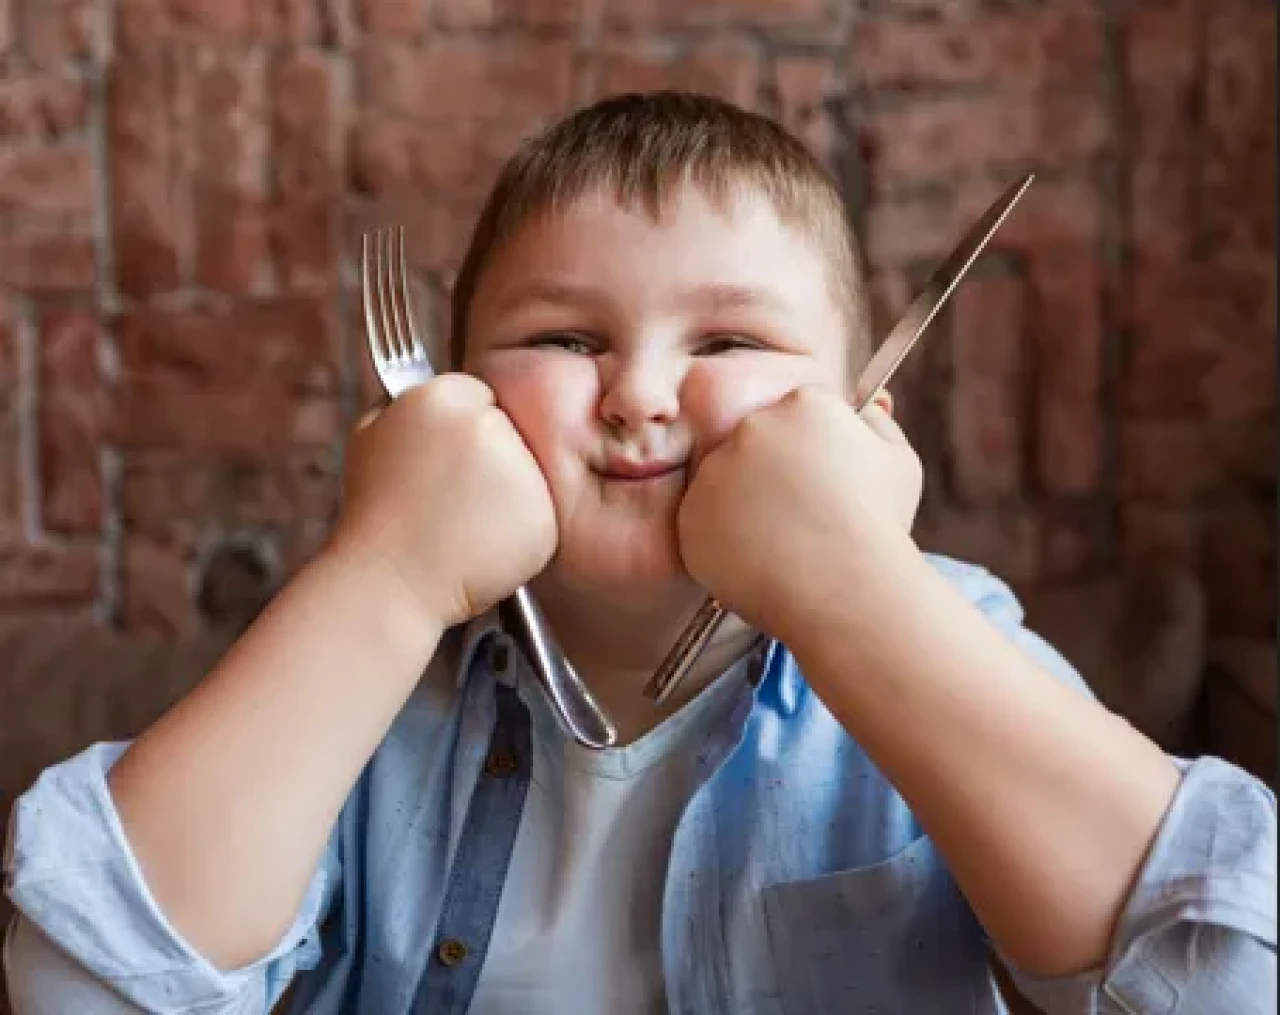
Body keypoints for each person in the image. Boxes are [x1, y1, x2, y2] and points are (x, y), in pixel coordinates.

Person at [4, 91, 1275, 1015]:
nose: (640, 394)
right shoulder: (363, 674)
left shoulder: (944, 634)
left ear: (857, 424)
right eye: (563, 338)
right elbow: (73, 983)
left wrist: (852, 587)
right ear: (452, 407)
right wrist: (384, 572)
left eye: (726, 343)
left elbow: (1227, 983)